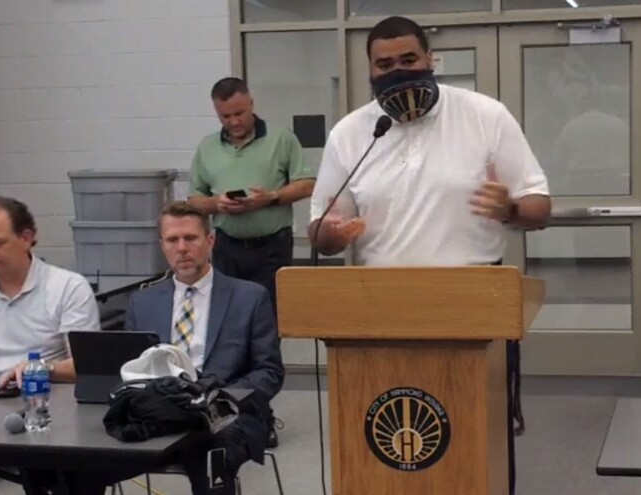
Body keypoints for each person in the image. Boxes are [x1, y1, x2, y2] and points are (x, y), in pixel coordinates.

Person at [308, 16, 551, 495]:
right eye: (385, 64)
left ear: (430, 60)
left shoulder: (485, 115)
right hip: (376, 314)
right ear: (370, 71)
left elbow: (540, 206)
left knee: (475, 445)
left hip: (473, 309)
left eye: (408, 60)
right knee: (387, 446)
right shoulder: (352, 133)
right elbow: (320, 229)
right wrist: (332, 236)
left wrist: (511, 208)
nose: (398, 71)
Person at [126, 201, 285, 495]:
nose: (182, 248)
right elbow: (131, 370)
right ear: (163, 246)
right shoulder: (143, 302)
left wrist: (216, 398)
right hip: (162, 411)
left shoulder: (249, 297)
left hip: (228, 413)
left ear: (210, 241)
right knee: (87, 450)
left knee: (211, 450)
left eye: (191, 238)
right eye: (173, 240)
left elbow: (270, 372)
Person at [188, 76, 313, 447]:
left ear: (252, 104)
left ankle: (262, 416)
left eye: (239, 113)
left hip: (270, 249)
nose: (233, 121)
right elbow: (194, 200)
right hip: (226, 247)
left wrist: (270, 198)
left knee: (263, 334)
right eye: (225, 115)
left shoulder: (281, 139)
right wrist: (217, 204)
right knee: (226, 332)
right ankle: (226, 412)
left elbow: (307, 183)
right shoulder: (207, 148)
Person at [0, 196, 101, 495]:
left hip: (52, 413)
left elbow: (88, 367)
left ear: (26, 238)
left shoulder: (67, 287)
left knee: (70, 474)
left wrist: (39, 368)